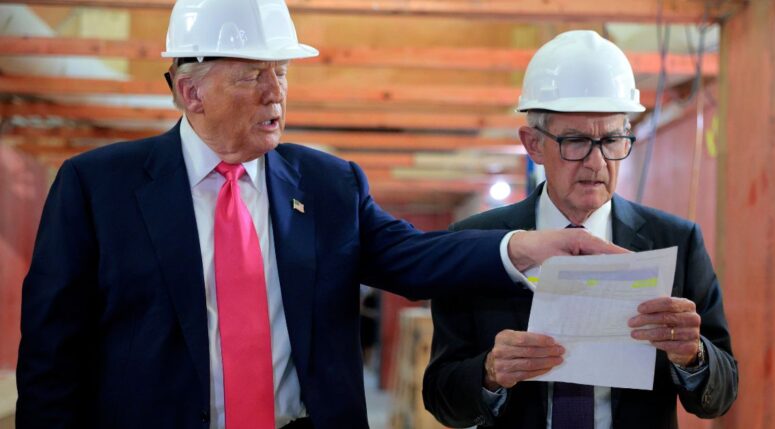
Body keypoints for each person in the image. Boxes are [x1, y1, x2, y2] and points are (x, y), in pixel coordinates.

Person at [14, 3, 626, 429]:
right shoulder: (98, 188)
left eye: (281, 73)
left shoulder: (328, 184)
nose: (276, 94)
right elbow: (51, 357)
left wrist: (522, 248)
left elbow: (411, 259)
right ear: (188, 91)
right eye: (253, 75)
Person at [422, 30, 738, 428]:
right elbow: (440, 396)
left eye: (611, 140)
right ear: (533, 143)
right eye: (575, 142)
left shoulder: (675, 241)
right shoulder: (476, 244)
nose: (596, 163)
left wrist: (694, 357)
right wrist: (488, 373)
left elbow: (721, 395)